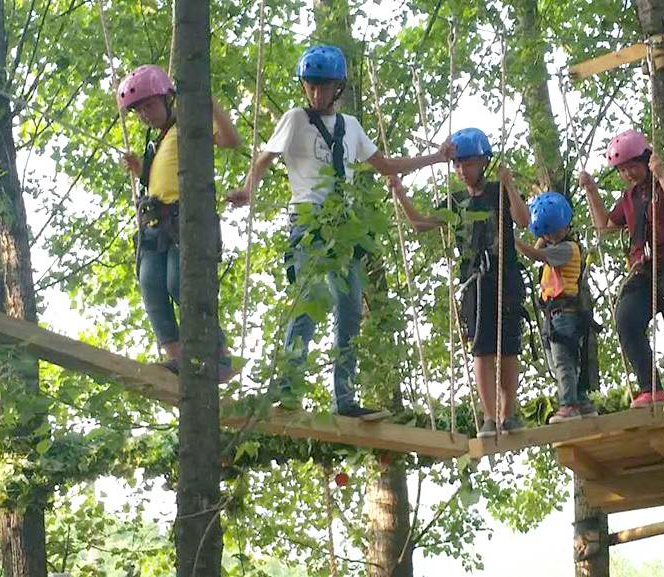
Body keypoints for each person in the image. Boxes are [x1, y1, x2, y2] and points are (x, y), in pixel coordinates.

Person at [227, 45, 452, 420]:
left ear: (338, 88)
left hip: (343, 227)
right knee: (311, 299)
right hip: (308, 220)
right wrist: (248, 189)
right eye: (311, 86)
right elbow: (265, 158)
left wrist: (435, 157)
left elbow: (385, 165)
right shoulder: (296, 119)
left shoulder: (351, 127)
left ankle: (345, 399)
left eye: (324, 87)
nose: (317, 94)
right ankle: (288, 388)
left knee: (349, 310)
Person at [388, 127, 530, 437]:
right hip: (474, 282)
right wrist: (401, 196)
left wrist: (510, 185)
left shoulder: (498, 192)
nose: (462, 171)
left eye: (468, 164)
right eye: (458, 165)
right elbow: (421, 224)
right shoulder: (454, 201)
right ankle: (490, 417)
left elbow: (523, 220)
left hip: (504, 278)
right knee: (481, 348)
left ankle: (509, 413)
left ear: (483, 162)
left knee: (508, 347)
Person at [117, 64, 241, 380]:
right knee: (150, 285)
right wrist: (140, 169)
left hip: (184, 220)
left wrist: (210, 105)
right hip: (155, 224)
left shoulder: (186, 128)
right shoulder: (155, 144)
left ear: (168, 99)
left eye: (149, 105)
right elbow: (159, 180)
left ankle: (219, 354)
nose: (145, 114)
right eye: (139, 110)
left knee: (179, 282)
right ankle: (178, 357)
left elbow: (230, 140)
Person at [579, 129, 664, 418]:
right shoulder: (630, 197)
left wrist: (661, 176)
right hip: (645, 272)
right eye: (623, 170)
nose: (628, 174)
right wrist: (591, 192)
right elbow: (605, 226)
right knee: (626, 319)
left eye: (632, 167)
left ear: (646, 160)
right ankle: (651, 387)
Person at [515, 191, 598, 423]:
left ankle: (569, 404)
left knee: (563, 361)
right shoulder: (556, 243)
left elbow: (535, 254)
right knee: (560, 361)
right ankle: (581, 402)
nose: (551, 236)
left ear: (565, 226)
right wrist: (540, 232)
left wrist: (512, 240)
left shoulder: (567, 248)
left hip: (565, 314)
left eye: (554, 231)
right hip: (554, 313)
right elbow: (539, 249)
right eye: (547, 233)